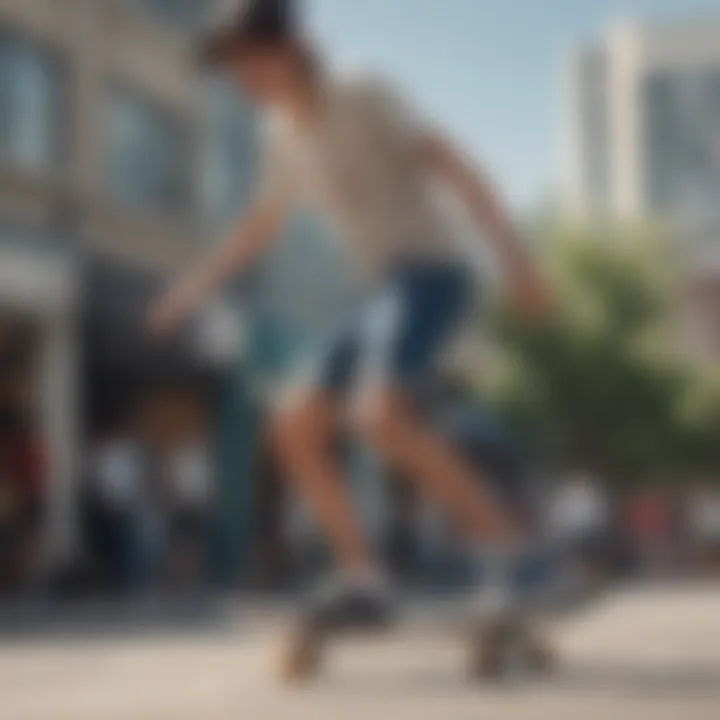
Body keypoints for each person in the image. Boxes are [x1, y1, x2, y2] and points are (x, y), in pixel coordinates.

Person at [148, 0, 553, 628]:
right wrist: (192, 289)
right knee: (292, 424)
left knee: (377, 416)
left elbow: (457, 167)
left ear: (287, 49)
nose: (241, 80)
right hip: (381, 290)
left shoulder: (361, 93)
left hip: (433, 271)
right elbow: (261, 225)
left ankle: (511, 550)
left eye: (246, 62)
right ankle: (365, 579)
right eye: (232, 70)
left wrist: (517, 265)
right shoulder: (280, 131)